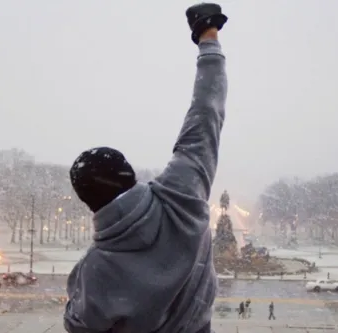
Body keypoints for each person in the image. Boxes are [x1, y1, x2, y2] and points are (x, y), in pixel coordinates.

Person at [63, 3, 228, 333]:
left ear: (88, 202)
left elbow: (78, 325)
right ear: (130, 174)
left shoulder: (95, 271)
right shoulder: (182, 193)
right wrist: (208, 36)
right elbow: (206, 112)